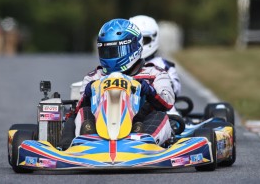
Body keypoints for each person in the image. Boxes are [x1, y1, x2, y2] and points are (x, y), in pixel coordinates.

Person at [59, 18, 174, 150]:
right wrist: (87, 94)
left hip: (140, 126)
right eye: (107, 51)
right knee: (81, 113)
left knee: (159, 114)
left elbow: (168, 102)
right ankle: (77, 145)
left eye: (116, 51)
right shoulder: (94, 77)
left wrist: (149, 91)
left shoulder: (154, 73)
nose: (111, 56)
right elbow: (78, 108)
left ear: (134, 47)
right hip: (99, 130)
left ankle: (144, 143)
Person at [129, 15, 181, 115]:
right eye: (135, 41)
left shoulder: (163, 66)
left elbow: (174, 91)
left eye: (143, 40)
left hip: (160, 112)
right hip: (127, 111)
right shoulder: (122, 65)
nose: (139, 44)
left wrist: (150, 88)